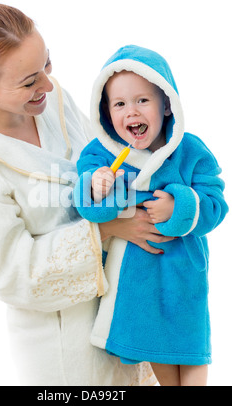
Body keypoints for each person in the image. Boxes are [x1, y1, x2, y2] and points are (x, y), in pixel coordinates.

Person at [0, 3, 165, 386]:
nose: (45, 84)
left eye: (47, 64)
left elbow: (107, 161)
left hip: (128, 321)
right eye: (27, 81)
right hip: (68, 357)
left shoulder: (52, 101)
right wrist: (108, 231)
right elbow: (13, 275)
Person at [73, 44, 229, 386]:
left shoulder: (191, 150)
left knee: (191, 347)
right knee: (157, 349)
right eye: (119, 104)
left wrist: (180, 206)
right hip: (136, 275)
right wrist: (98, 187)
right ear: (106, 112)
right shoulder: (100, 153)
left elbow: (216, 204)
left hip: (184, 274)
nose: (132, 112)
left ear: (167, 103)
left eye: (142, 100)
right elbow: (86, 208)